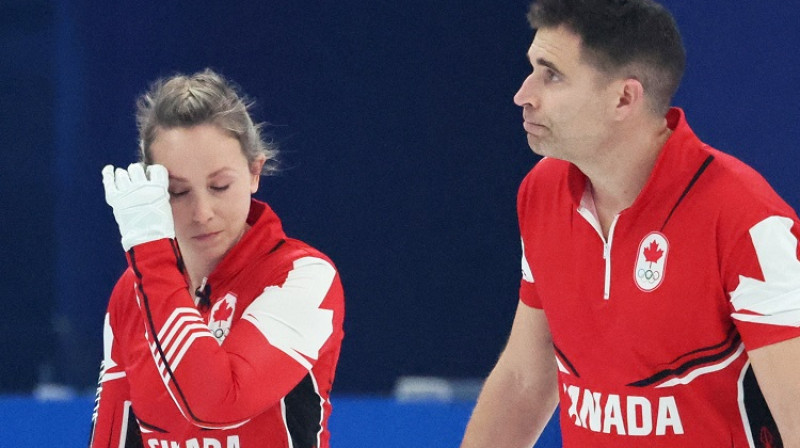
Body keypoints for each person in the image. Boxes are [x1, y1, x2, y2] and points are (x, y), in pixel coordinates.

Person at [460, 1, 800, 447]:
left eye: (552, 75)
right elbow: (525, 379)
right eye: (532, 70)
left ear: (624, 97)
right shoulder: (541, 193)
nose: (523, 93)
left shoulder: (746, 219)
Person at [90, 69, 345, 448]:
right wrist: (151, 267)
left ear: (255, 172)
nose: (202, 212)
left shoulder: (302, 276)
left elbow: (216, 405)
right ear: (151, 190)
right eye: (177, 192)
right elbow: (113, 435)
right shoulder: (133, 290)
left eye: (219, 186)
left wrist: (151, 255)